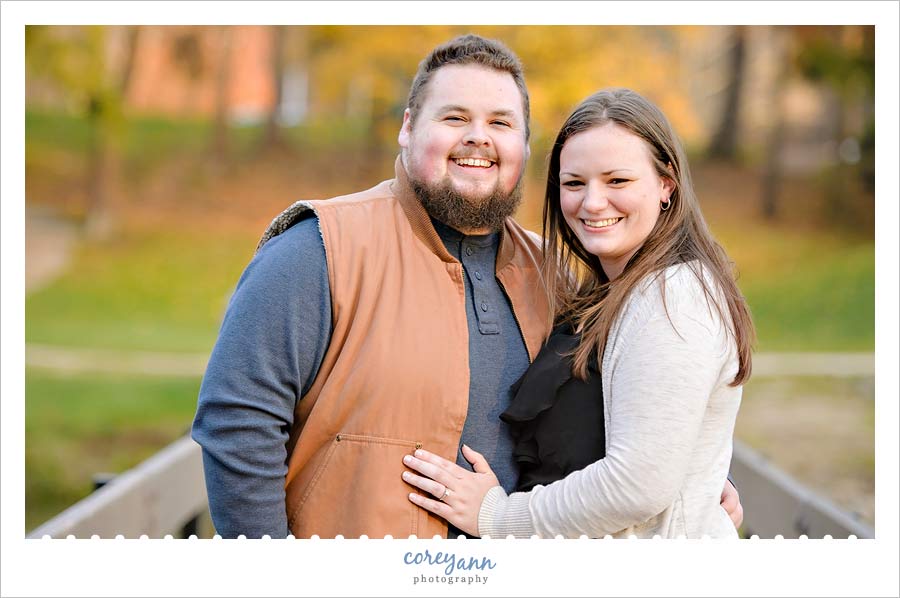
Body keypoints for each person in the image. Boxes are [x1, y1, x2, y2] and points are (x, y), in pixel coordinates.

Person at [192, 35, 742, 539]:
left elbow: (633, 412)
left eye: (501, 122)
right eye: (455, 117)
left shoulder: (554, 273)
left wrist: (695, 477)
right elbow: (237, 421)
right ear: (409, 127)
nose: (479, 136)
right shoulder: (318, 248)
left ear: (523, 144)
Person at [400, 88, 755, 539]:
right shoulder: (604, 293)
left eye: (617, 181)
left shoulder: (674, 298)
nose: (592, 202)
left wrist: (499, 517)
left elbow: (638, 485)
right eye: (574, 183)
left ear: (667, 184)